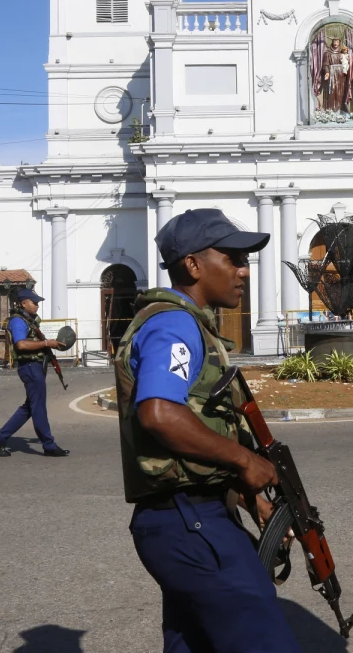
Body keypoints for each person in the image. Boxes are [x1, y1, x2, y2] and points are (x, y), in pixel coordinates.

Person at [114, 208, 301, 652]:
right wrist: (245, 459)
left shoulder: (189, 324)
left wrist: (248, 493)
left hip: (187, 517)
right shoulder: (175, 324)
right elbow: (158, 412)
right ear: (193, 265)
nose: (243, 271)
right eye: (233, 258)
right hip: (189, 520)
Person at [0, 289, 69, 458]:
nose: (37, 305)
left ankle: (1, 437)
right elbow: (21, 345)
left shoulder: (28, 320)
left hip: (35, 366)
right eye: (34, 302)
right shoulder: (18, 321)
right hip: (29, 367)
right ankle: (49, 445)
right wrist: (46, 343)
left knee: (30, 407)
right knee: (38, 407)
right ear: (23, 303)